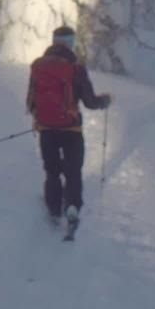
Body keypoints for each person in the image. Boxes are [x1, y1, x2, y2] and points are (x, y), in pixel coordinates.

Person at [26, 25, 112, 227]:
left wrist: (40, 118)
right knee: (73, 170)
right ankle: (72, 205)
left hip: (46, 128)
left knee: (52, 170)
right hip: (71, 128)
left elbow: (31, 100)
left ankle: (54, 207)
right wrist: (104, 101)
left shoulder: (38, 66)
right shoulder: (76, 68)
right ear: (71, 43)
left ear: (53, 41)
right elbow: (90, 102)